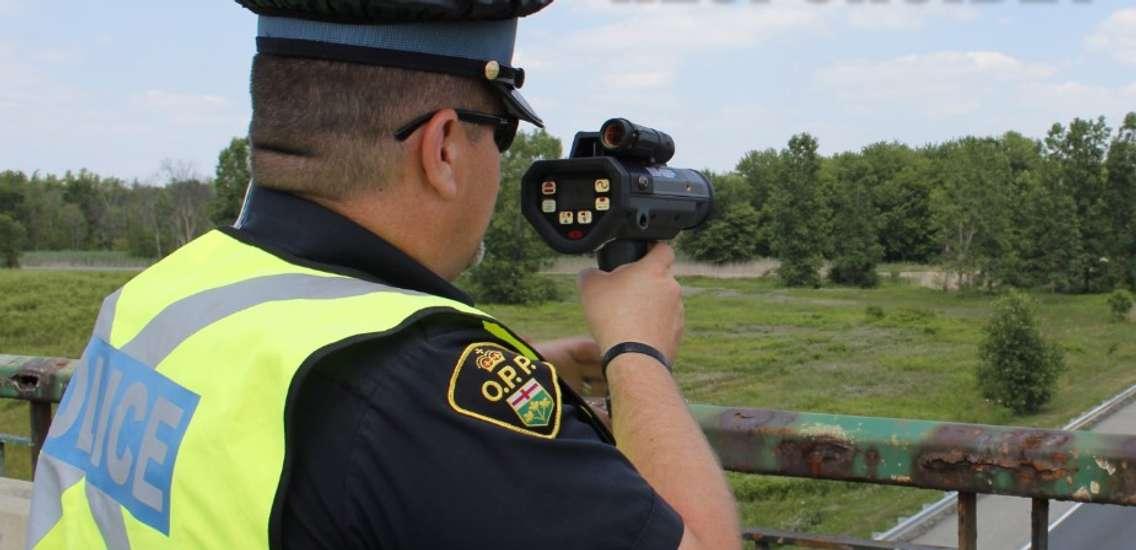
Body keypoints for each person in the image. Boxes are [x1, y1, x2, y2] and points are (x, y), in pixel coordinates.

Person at [27, 1, 741, 548]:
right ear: (441, 148)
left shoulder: (161, 293)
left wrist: (518, 377)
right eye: (501, 132)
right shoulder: (416, 393)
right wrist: (637, 351)